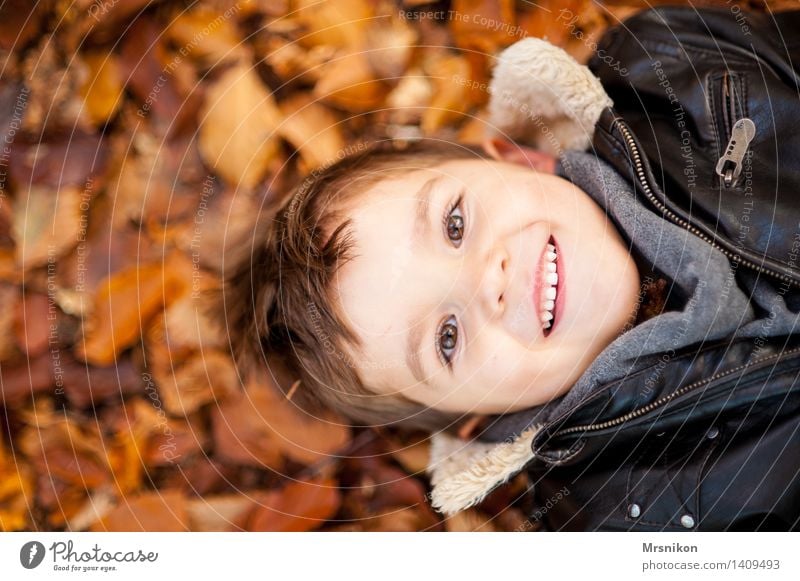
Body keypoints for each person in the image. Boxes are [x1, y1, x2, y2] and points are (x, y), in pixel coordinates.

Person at [220, 5, 800, 530]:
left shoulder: (667, 75)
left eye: (454, 224)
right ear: (476, 419)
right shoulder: (622, 518)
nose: (488, 281)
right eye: (446, 339)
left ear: (520, 157)